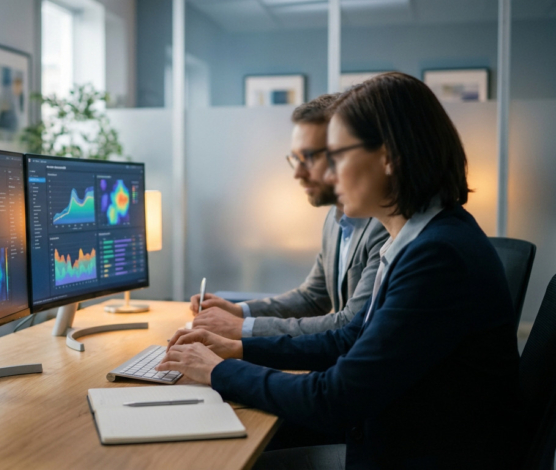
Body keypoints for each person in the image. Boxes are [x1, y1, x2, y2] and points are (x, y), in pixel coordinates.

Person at [158, 72, 519, 469]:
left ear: (388, 157)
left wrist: (221, 371)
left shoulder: (437, 257)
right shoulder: (422, 237)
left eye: (338, 155)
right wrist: (240, 348)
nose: (328, 175)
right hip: (399, 429)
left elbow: (336, 398)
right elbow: (350, 337)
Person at [190, 95, 388, 340]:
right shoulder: (335, 218)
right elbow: (312, 297)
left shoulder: (385, 224)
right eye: (295, 158)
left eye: (308, 157)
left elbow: (350, 324)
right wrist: (238, 311)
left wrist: (241, 330)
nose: (297, 173)